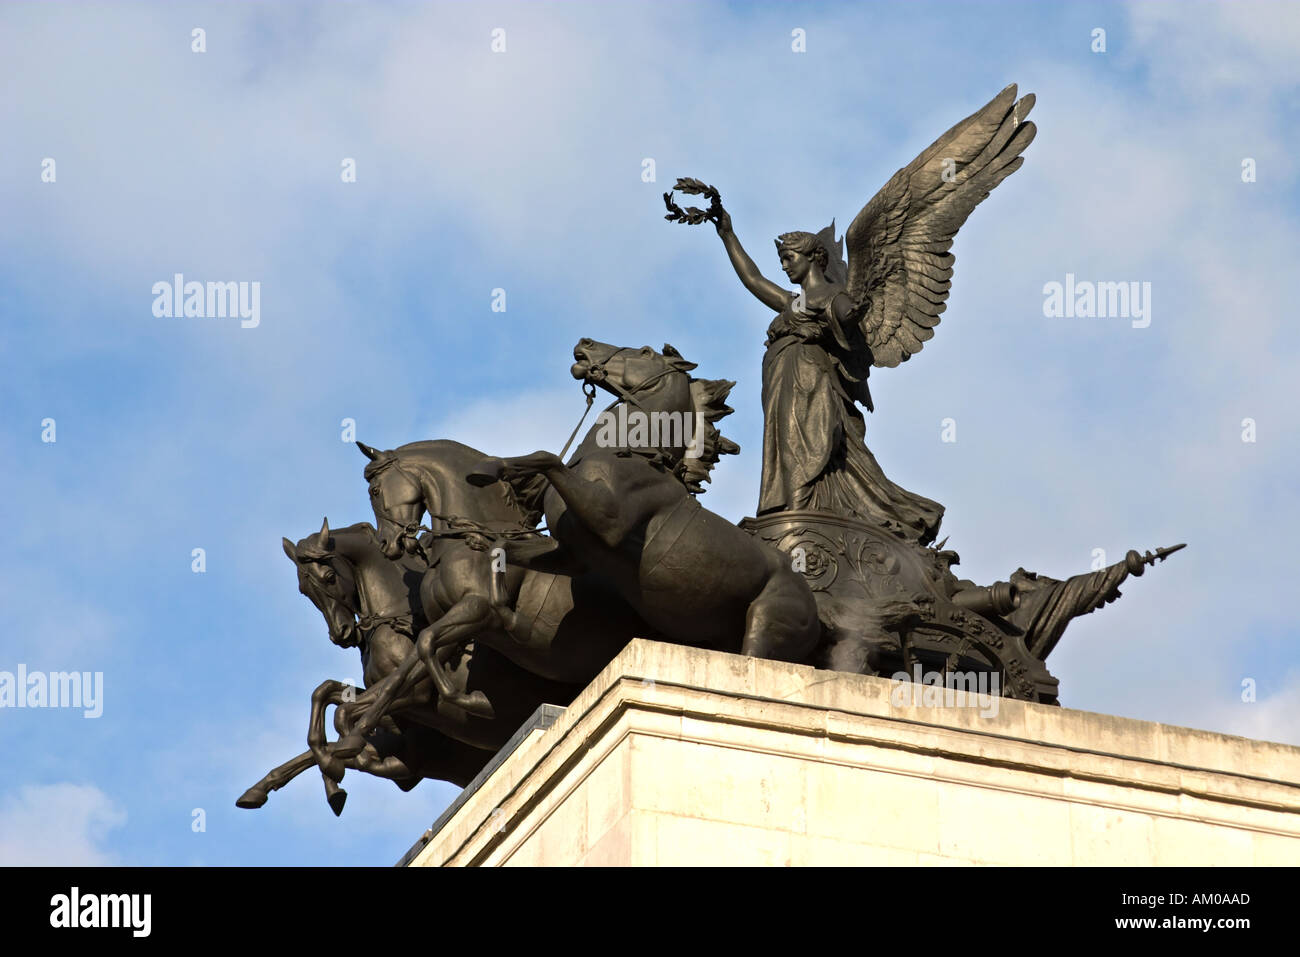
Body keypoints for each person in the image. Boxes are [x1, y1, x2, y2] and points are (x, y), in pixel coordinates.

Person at [714, 209, 944, 544]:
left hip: (811, 387)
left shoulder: (834, 297)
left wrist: (854, 314)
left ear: (812, 258)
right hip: (783, 388)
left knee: (806, 451)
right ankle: (792, 511)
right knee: (786, 448)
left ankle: (802, 516)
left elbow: (847, 317)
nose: (783, 266)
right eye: (781, 260)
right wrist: (727, 234)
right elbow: (753, 279)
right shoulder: (793, 302)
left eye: (789, 258)